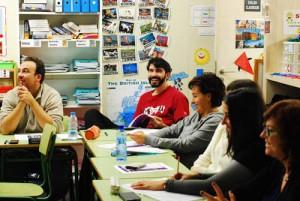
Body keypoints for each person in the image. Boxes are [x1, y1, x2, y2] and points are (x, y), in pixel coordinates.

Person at [131, 88, 267, 195]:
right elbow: (221, 177)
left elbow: (210, 185)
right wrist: (197, 175)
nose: (223, 121)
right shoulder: (246, 140)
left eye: (228, 116)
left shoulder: (256, 148)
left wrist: (165, 184)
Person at [202, 99, 300, 201]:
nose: (262, 135)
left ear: (290, 136)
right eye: (264, 128)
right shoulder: (278, 166)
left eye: (269, 130)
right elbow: (245, 190)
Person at [129, 73, 225, 168]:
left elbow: (186, 144)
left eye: (195, 96)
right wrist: (146, 137)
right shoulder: (196, 115)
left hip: (188, 170)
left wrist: (148, 139)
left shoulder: (215, 121)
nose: (192, 101)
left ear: (208, 96)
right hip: (176, 163)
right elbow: (172, 130)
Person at [184, 79, 261, 178]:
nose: (223, 121)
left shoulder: (250, 142)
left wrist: (198, 175)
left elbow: (223, 177)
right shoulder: (222, 124)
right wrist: (195, 173)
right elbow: (205, 156)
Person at [84, 57, 189, 129]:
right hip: (137, 134)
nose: (153, 74)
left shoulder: (178, 97)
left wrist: (162, 126)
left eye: (158, 71)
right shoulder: (144, 97)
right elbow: (135, 125)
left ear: (167, 75)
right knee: (92, 114)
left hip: (158, 137)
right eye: (151, 71)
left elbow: (183, 132)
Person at [0, 56, 63, 134]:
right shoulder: (11, 95)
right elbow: (4, 129)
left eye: (25, 71)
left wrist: (32, 102)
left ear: (38, 77)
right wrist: (22, 102)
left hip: (44, 144)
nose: (20, 75)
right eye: (19, 71)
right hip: (17, 145)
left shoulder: (52, 95)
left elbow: (55, 129)